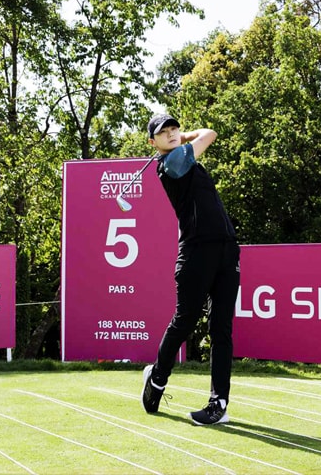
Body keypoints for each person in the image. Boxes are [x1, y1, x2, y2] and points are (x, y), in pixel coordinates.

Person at [141, 113, 241, 426]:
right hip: (196, 252)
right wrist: (184, 138)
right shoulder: (170, 164)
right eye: (164, 132)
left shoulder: (188, 162)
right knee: (184, 322)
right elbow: (210, 133)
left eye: (175, 129)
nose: (171, 134)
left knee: (221, 329)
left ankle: (218, 404)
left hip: (226, 250)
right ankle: (157, 378)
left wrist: (180, 138)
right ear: (153, 142)